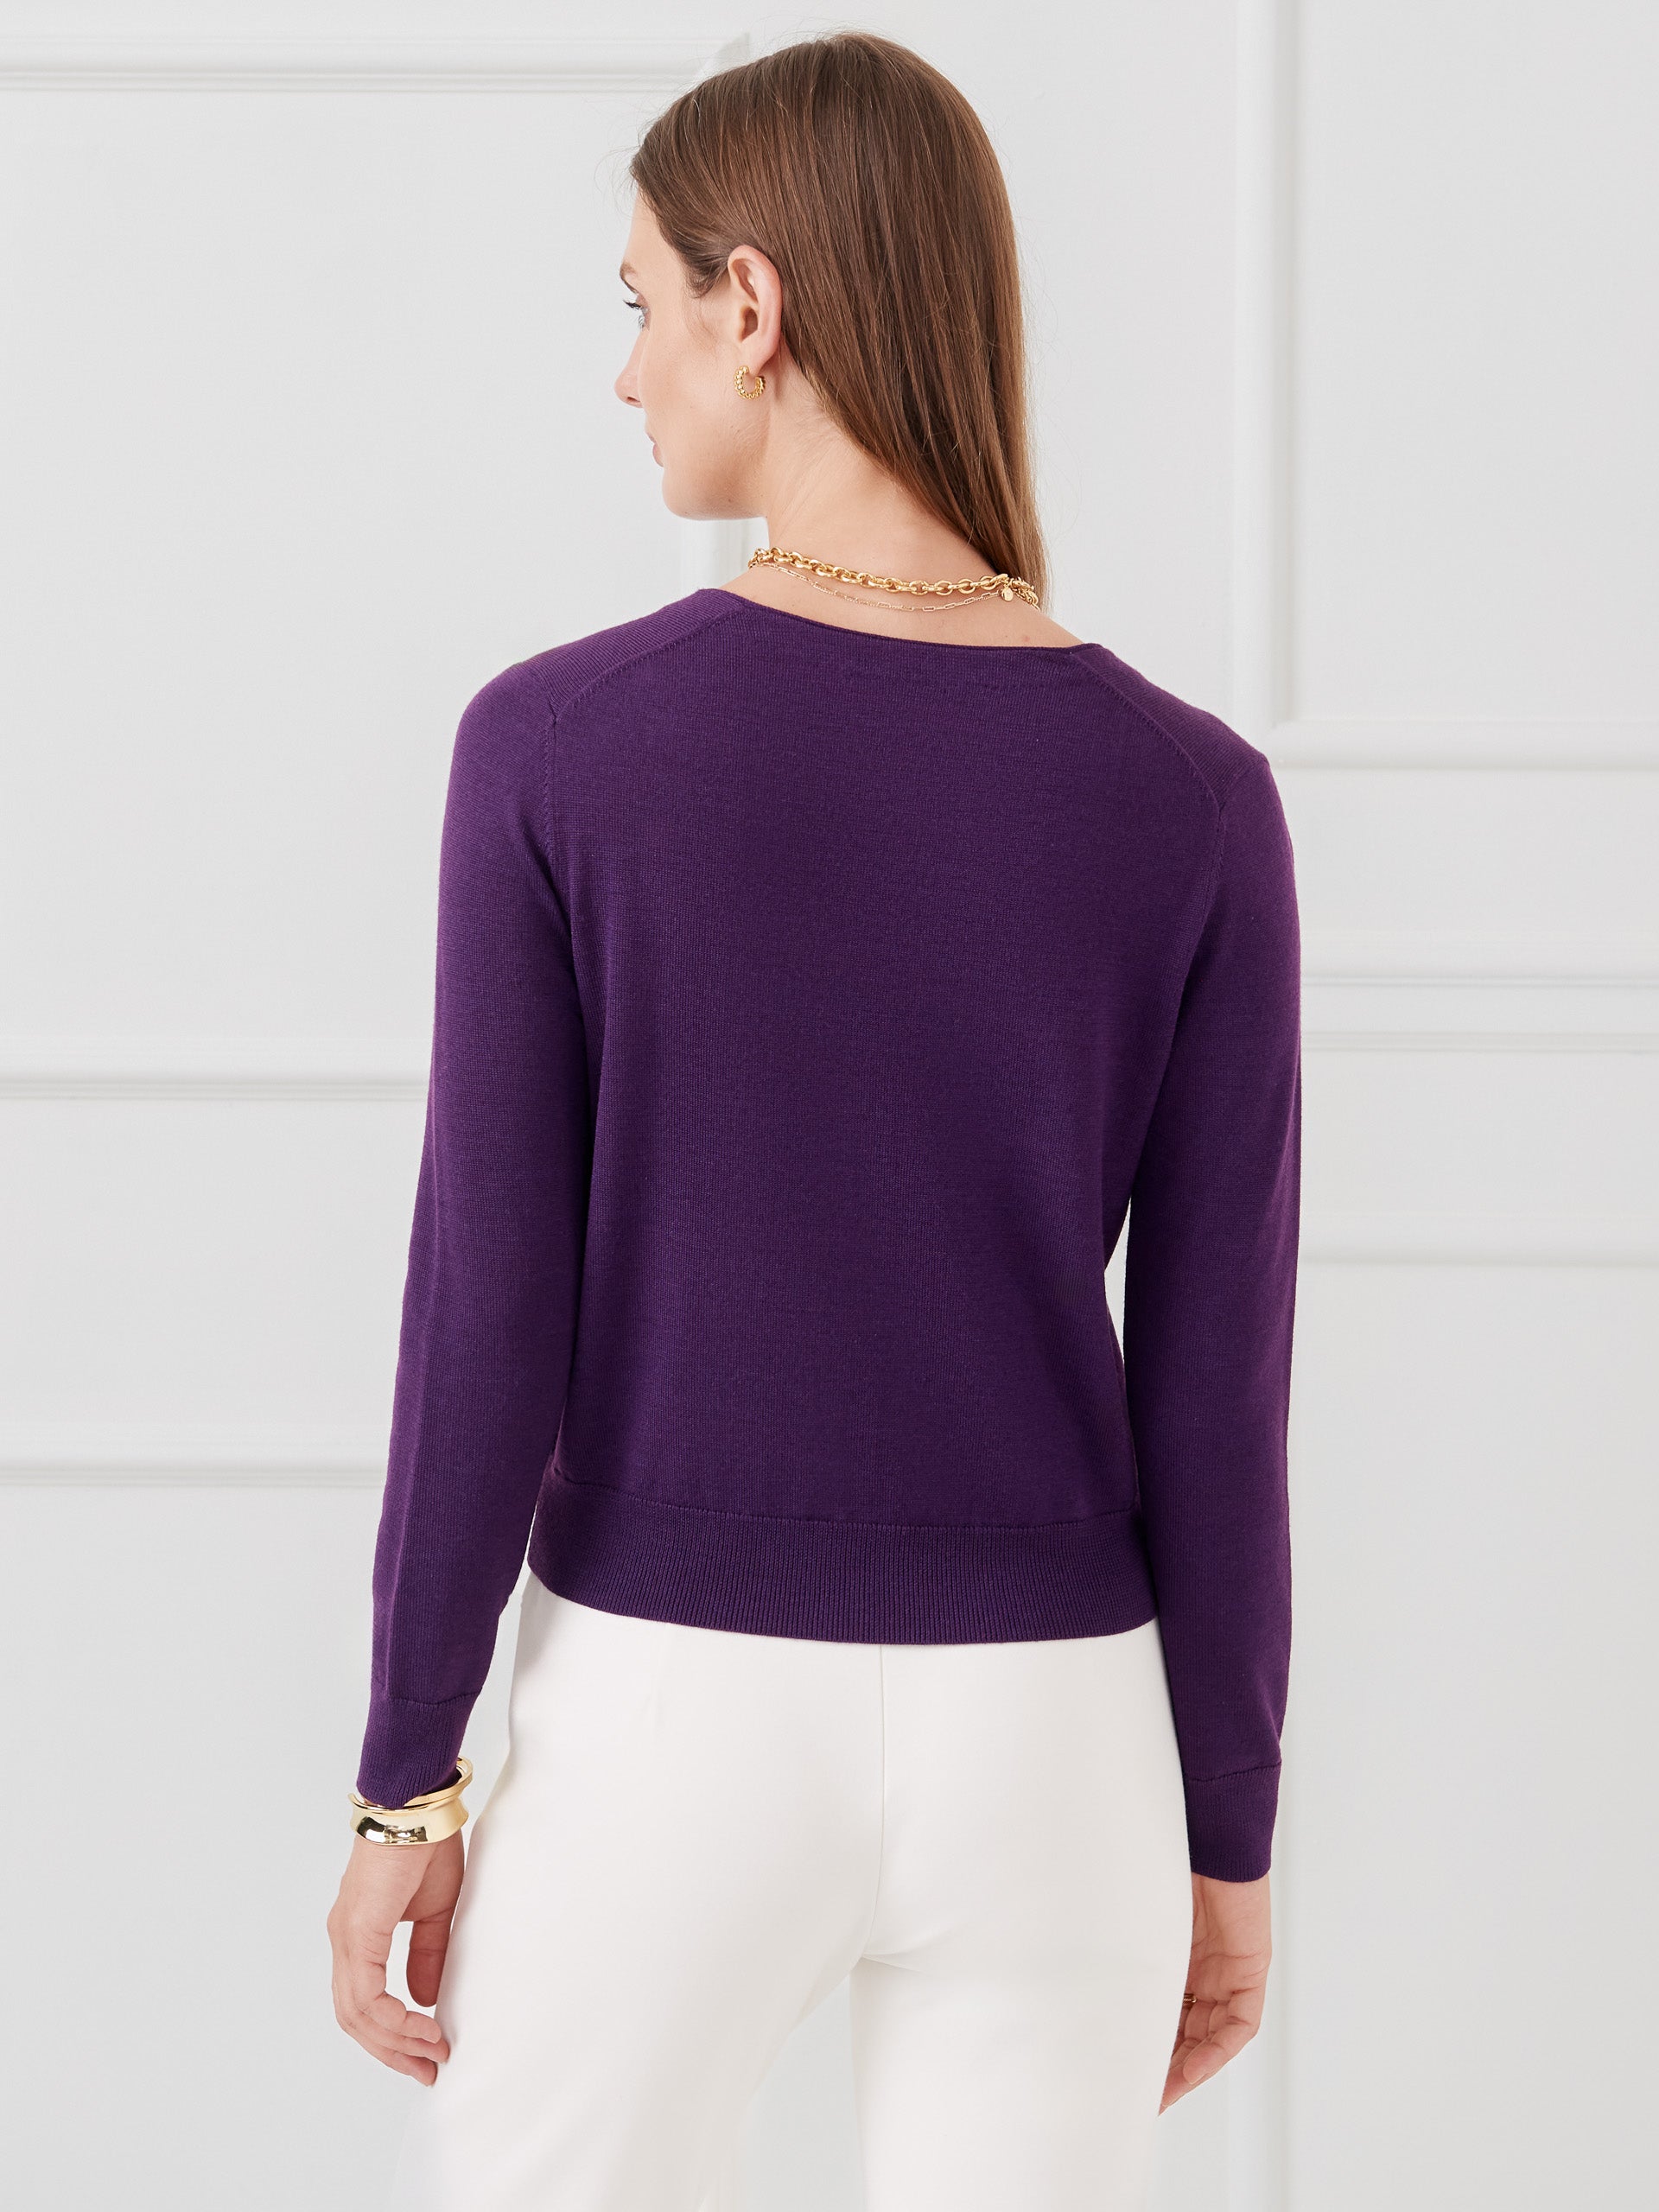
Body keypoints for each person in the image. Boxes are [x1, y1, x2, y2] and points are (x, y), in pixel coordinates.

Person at [326, 30, 1300, 2212]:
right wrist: (1226, 1831)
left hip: (673, 1715)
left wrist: (408, 1776)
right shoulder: (1197, 799)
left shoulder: (559, 747)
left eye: (642, 304)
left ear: (749, 305)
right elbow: (1217, 1391)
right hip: (1059, 1736)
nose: (629, 371)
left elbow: (489, 1310)